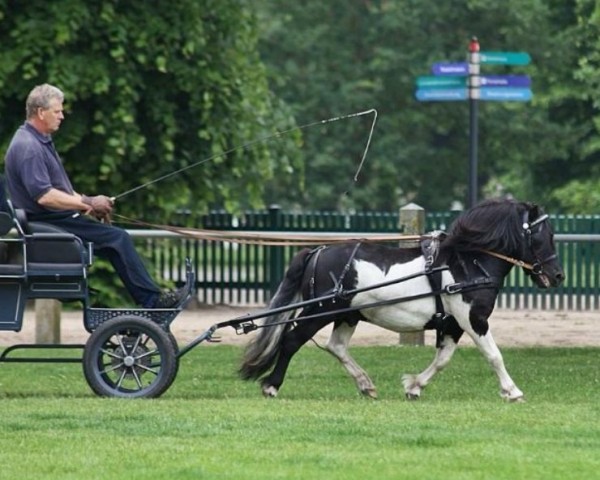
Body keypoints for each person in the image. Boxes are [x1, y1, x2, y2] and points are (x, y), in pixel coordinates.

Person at [3, 83, 186, 308]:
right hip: (48, 222)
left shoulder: (36, 141)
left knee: (115, 239)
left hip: (54, 219)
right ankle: (152, 302)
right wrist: (86, 202)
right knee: (118, 239)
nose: (62, 116)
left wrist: (86, 205)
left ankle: (149, 300)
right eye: (57, 111)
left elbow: (61, 191)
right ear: (41, 112)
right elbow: (45, 196)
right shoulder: (29, 147)